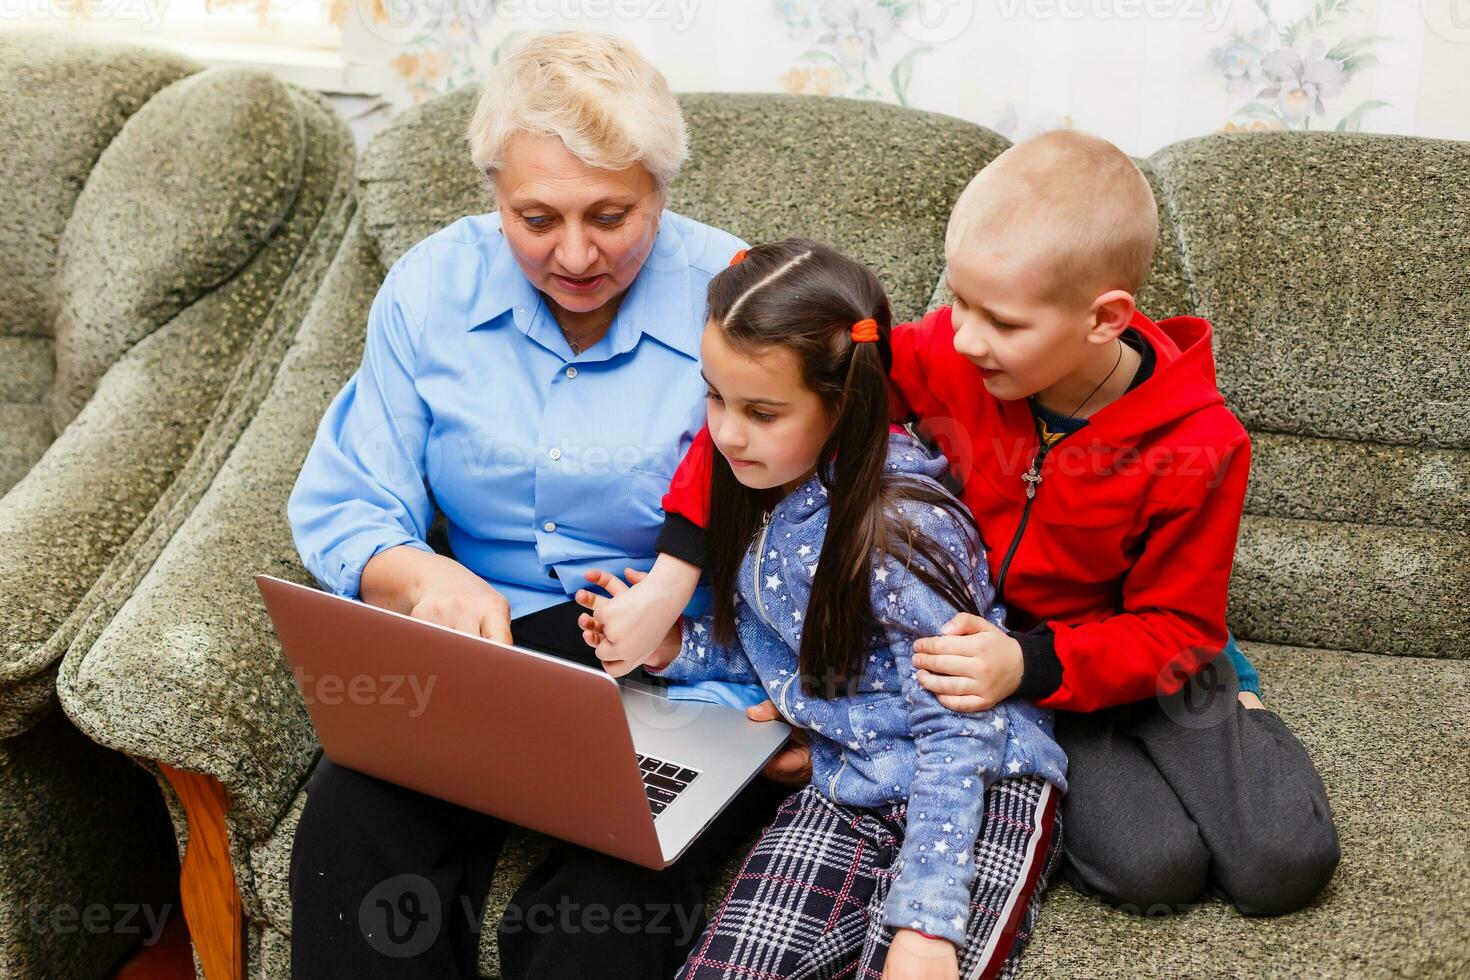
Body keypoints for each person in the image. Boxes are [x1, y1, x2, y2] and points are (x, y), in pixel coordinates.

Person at [582, 130, 1340, 920]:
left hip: (1146, 655)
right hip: (1019, 669)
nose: (967, 336)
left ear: (1105, 318)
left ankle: (1243, 706)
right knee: (1153, 870)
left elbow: (1176, 624)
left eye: (1002, 321)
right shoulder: (946, 352)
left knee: (1280, 864)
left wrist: (1027, 664)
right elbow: (757, 416)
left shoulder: (1203, 444)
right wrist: (675, 580)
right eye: (958, 300)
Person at [284, 31, 789, 978]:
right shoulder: (432, 287)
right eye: (535, 217)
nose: (576, 253)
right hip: (491, 657)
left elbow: (823, 522)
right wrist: (423, 573)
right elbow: (349, 501)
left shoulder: (743, 297)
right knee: (353, 838)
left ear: (663, 191)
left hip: (686, 670)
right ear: (493, 192)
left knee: (602, 927)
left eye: (612, 214)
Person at [579, 239, 1067, 980]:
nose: (726, 432)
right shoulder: (759, 486)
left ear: (843, 406)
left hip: (979, 785)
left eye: (761, 411)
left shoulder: (900, 532)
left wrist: (926, 922)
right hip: (845, 785)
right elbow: (785, 642)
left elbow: (959, 725)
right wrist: (678, 653)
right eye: (714, 396)